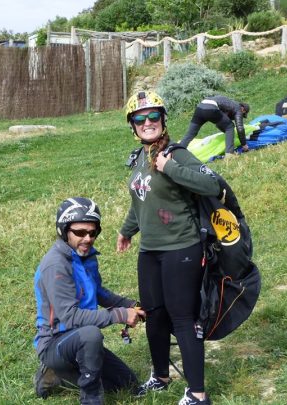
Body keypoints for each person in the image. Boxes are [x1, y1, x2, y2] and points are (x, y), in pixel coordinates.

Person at [117, 90, 221, 405]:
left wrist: (170, 168)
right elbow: (142, 200)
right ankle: (160, 377)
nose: (147, 123)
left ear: (163, 120)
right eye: (140, 118)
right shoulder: (138, 159)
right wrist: (127, 230)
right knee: (155, 314)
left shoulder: (176, 155)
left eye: (153, 117)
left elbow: (211, 184)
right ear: (132, 126)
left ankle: (198, 394)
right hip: (150, 251)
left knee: (182, 318)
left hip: (181, 248)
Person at [33, 197, 145, 405]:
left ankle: (59, 376)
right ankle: (90, 399)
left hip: (80, 339)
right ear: (64, 230)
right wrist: (120, 315)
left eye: (93, 233)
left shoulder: (86, 256)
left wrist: (130, 305)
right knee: (90, 334)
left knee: (126, 383)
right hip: (55, 343)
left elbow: (98, 292)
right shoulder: (56, 265)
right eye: (80, 232)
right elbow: (71, 316)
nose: (88, 238)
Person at [179, 95, 250, 157]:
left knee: (190, 133)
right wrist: (244, 144)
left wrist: (229, 135)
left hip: (200, 107)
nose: (242, 116)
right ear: (243, 109)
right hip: (211, 108)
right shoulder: (238, 108)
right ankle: (230, 154)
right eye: (243, 114)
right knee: (230, 127)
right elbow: (240, 128)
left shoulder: (228, 104)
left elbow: (220, 123)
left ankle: (177, 152)